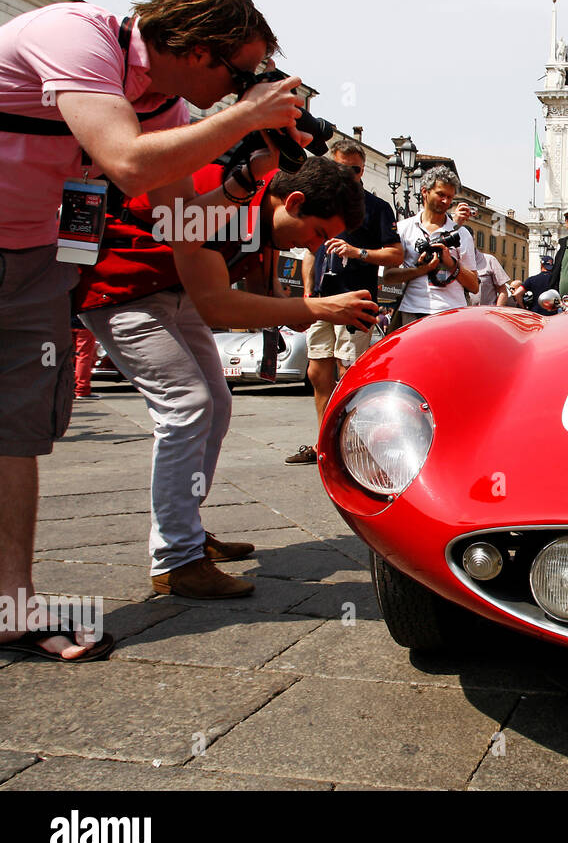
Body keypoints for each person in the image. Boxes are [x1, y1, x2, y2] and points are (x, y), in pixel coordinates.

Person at [0, 0, 312, 660]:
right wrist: (243, 118)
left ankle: (11, 607)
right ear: (201, 50)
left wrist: (242, 176)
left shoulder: (163, 107)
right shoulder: (76, 35)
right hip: (35, 253)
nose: (240, 89)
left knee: (14, 432)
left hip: (30, 252)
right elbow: (124, 164)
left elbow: (179, 223)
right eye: (240, 74)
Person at [78, 158, 370, 599]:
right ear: (293, 202)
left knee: (216, 404)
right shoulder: (225, 200)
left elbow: (250, 295)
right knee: (187, 405)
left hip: (176, 295)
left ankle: (186, 534)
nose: (316, 247)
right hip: (124, 293)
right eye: (318, 233)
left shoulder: (263, 219)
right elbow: (218, 308)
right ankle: (175, 560)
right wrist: (318, 308)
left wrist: (288, 308)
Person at [286, 140, 402, 465]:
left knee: (349, 372)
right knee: (317, 373)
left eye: (356, 169)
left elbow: (396, 254)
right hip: (322, 300)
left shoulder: (376, 207)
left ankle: (352, 442)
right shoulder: (320, 202)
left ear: (363, 170)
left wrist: (357, 253)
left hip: (356, 301)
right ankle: (323, 443)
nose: (350, 174)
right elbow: (311, 252)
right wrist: (307, 293)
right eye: (343, 168)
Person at [386, 166, 480, 328]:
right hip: (412, 310)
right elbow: (388, 276)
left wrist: (450, 263)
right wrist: (421, 270)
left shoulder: (461, 234)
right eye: (441, 194)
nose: (446, 201)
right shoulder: (403, 228)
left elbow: (474, 286)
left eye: (450, 197)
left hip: (451, 313)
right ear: (424, 191)